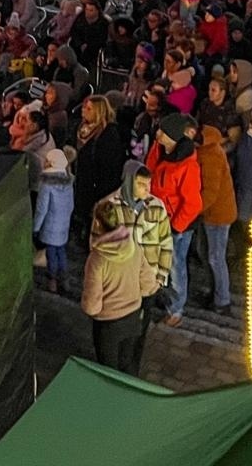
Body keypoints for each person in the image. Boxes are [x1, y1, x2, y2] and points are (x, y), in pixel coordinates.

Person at [82, 193, 159, 374]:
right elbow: (149, 284)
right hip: (132, 318)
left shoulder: (97, 259)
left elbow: (92, 305)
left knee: (108, 372)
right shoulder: (133, 246)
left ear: (98, 224)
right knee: (127, 366)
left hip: (108, 325)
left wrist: (93, 310)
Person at [144, 113, 203, 327]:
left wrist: (175, 226)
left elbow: (193, 204)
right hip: (156, 218)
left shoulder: (188, 165)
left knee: (175, 265)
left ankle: (176, 308)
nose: (157, 134)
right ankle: (159, 298)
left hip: (176, 226)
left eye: (163, 132)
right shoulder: (159, 149)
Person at [196, 124, 237, 315]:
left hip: (218, 215)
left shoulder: (210, 155)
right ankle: (216, 294)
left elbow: (210, 193)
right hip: (214, 213)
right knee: (210, 255)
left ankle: (222, 300)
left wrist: (194, 210)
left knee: (215, 257)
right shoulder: (208, 150)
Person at [72, 95, 126, 230]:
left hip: (97, 187)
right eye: (84, 107)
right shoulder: (81, 128)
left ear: (98, 112)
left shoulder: (108, 135)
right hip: (82, 182)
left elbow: (109, 166)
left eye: (89, 109)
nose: (83, 111)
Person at [33, 146, 75, 294]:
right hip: (63, 225)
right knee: (61, 251)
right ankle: (65, 279)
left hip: (50, 226)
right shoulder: (68, 182)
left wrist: (36, 227)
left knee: (51, 254)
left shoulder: (47, 185)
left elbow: (41, 209)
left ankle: (52, 281)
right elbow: (71, 205)